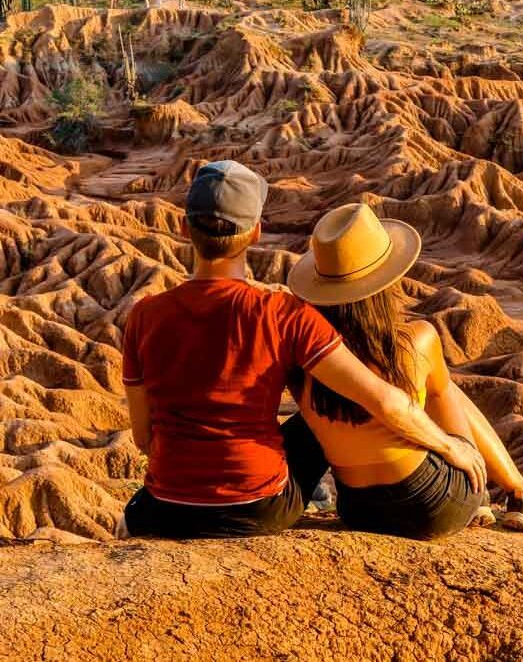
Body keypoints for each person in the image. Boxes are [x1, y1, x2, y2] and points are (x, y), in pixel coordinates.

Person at [121, 161, 484, 539]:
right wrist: (449, 447)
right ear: (256, 234)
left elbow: (144, 438)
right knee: (324, 409)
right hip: (260, 507)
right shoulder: (282, 314)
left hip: (166, 508)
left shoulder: (143, 315)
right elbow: (385, 402)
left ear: (183, 229)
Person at [288, 203, 523, 538]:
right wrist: (452, 450)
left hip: (359, 510)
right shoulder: (418, 339)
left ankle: (503, 495)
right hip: (434, 506)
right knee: (443, 389)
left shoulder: (302, 357)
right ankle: (516, 495)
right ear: (386, 282)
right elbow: (424, 405)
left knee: (417, 387)